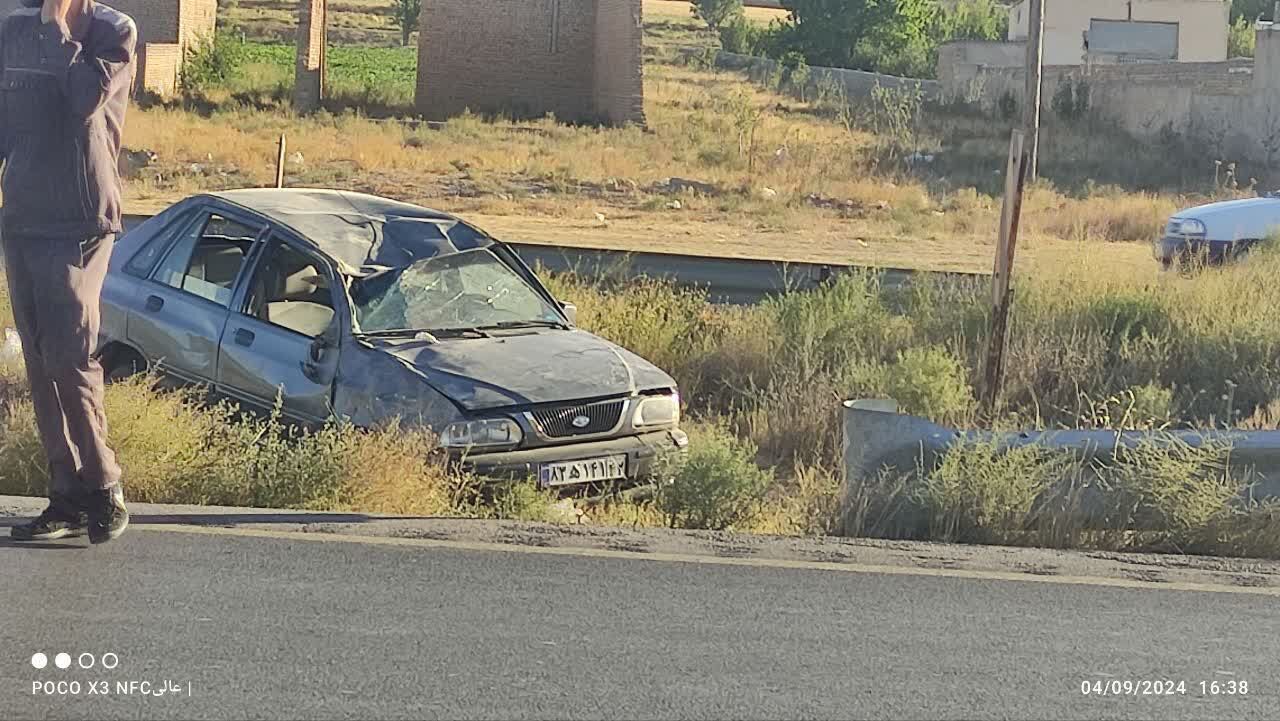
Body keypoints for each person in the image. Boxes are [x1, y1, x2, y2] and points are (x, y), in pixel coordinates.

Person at [2, 0, 136, 543]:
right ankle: (66, 494)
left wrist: (57, 30)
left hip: (82, 218)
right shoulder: (11, 30)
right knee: (37, 358)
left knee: (70, 355)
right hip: (24, 216)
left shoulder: (113, 31)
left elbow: (84, 98)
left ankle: (104, 486)